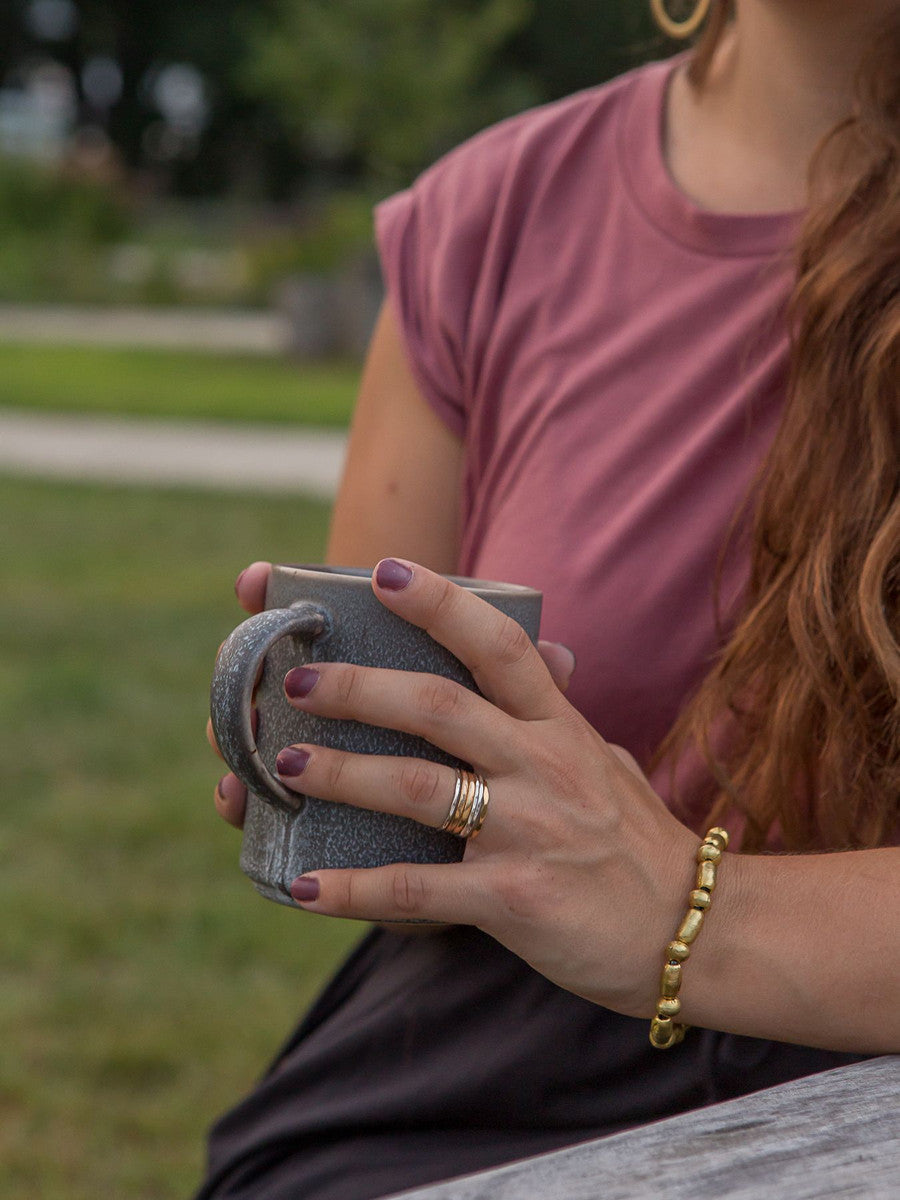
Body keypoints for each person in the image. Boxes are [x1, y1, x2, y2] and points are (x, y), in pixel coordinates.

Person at [200, 2, 900, 1197]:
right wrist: (383, 790)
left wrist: (689, 912)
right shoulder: (489, 216)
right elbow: (421, 858)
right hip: (468, 1073)